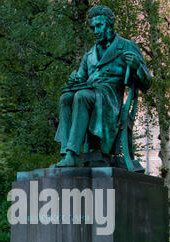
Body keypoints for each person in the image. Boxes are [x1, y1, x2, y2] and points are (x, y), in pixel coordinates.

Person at [54, 5, 152, 167]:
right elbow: (81, 78)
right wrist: (74, 81)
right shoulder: (89, 55)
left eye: (99, 26)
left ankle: (72, 154)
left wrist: (137, 67)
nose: (95, 31)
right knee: (66, 98)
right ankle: (66, 153)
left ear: (110, 24)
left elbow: (147, 83)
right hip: (89, 96)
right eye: (92, 28)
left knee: (81, 96)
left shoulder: (127, 46)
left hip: (109, 101)